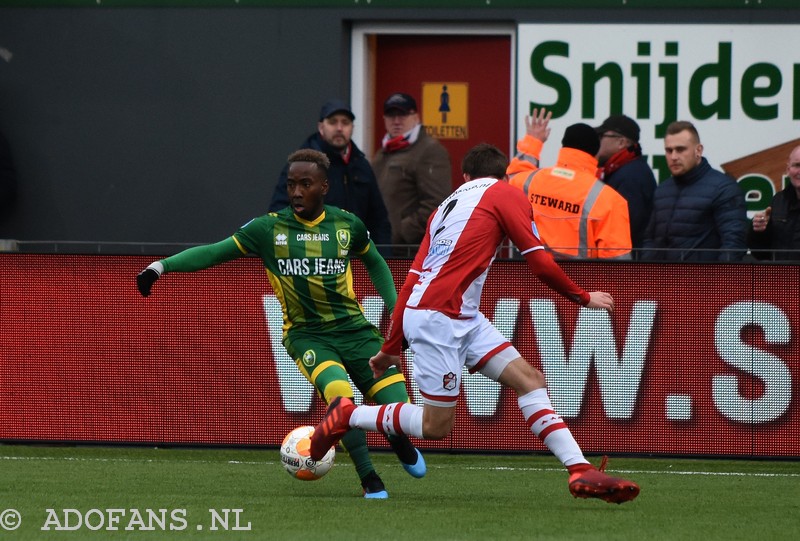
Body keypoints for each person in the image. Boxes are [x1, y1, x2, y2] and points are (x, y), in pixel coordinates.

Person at [309, 143, 640, 504]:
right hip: (439, 319)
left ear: (465, 177)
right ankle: (349, 413)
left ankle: (579, 469)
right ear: (504, 175)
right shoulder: (506, 193)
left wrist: (391, 346)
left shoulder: (443, 209)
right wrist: (582, 297)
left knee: (529, 380)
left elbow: (411, 280)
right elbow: (540, 262)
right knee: (437, 427)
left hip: (457, 315)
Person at [137, 149, 426, 499]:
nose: (296, 192)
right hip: (308, 337)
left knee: (398, 404)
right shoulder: (267, 229)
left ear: (324, 187)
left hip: (356, 330)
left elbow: (376, 262)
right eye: (291, 184)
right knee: (340, 399)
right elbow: (214, 252)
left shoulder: (347, 224)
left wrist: (397, 316)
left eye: (306, 184)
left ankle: (397, 438)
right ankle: (370, 478)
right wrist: (161, 267)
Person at [507, 110, 632, 260]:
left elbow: (512, 178)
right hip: (578, 282)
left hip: (527, 278)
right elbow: (617, 265)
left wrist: (533, 141)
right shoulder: (610, 200)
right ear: (595, 152)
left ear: (564, 146)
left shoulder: (528, 181)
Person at [269, 99, 392, 250]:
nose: (339, 128)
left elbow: (378, 219)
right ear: (321, 127)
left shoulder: (361, 165)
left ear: (352, 128)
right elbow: (279, 213)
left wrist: (383, 259)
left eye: (345, 123)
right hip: (314, 257)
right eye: (333, 122)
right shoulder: (302, 164)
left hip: (355, 258)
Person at [642, 121, 747, 262]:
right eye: (669, 150)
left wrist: (719, 282)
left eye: (680, 149)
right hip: (661, 281)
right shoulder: (662, 191)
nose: (673, 157)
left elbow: (734, 243)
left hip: (702, 281)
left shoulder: (724, 189)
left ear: (698, 150)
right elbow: (650, 240)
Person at [372, 92, 452, 256]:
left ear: (416, 117)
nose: (396, 121)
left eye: (402, 114)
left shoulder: (430, 150)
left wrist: (402, 232)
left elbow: (438, 204)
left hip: (409, 252)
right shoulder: (382, 153)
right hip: (381, 248)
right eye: (391, 115)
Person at [594, 115, 656, 257]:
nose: (598, 141)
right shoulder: (623, 170)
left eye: (602, 136)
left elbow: (625, 227)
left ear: (621, 142)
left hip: (627, 262)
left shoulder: (631, 176)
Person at [748, 145, 800, 261]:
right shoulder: (778, 201)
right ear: (788, 170)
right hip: (781, 276)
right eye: (797, 165)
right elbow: (760, 254)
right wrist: (759, 232)